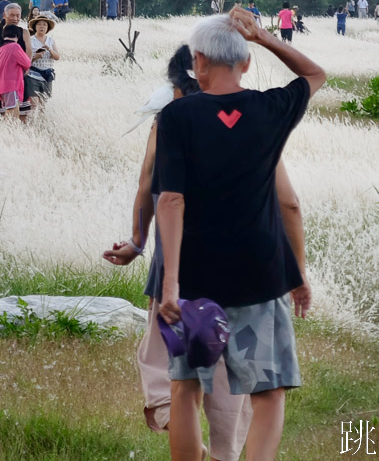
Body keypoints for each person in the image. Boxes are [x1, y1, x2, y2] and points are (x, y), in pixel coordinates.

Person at [104, 42, 312, 461]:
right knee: (245, 390)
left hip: (180, 273)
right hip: (251, 275)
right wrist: (298, 271)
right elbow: (289, 203)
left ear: (182, 83)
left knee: (178, 383)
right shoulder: (256, 124)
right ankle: (224, 454)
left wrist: (138, 244)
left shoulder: (171, 122)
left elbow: (151, 188)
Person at [155, 6, 325, 461]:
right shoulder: (271, 109)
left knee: (185, 389)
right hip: (260, 274)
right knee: (267, 393)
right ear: (246, 62)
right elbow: (315, 73)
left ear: (198, 61)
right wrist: (266, 38)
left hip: (194, 279)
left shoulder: (177, 117)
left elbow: (171, 201)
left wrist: (170, 283)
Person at [0, 3, 33, 119]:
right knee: (0, 114)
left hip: (20, 78)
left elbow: (29, 53)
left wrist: (26, 69)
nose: (15, 19)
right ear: (4, 15)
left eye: (18, 15)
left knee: (22, 114)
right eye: (12, 15)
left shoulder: (24, 33)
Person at [27, 14, 60, 101]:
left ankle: (41, 115)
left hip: (47, 75)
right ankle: (33, 115)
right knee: (33, 102)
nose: (42, 26)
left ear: (48, 28)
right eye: (39, 24)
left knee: (44, 102)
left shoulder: (51, 40)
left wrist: (50, 50)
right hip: (32, 74)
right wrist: (36, 57)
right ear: (35, 27)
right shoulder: (30, 40)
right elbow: (25, 60)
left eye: (45, 25)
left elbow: (57, 57)